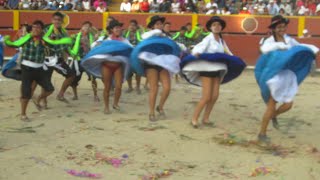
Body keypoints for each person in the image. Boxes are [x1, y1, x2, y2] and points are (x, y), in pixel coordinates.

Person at [255, 15, 319, 142]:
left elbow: (299, 48)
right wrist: (278, 46)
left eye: (283, 27)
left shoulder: (289, 40)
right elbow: (263, 50)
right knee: (272, 104)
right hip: (274, 75)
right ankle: (262, 133)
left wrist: (312, 50)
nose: (281, 29)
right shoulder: (269, 42)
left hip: (286, 76)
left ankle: (273, 116)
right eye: (279, 27)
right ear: (273, 29)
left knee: (288, 104)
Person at [180, 16, 246, 128]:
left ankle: (206, 118)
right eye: (214, 25)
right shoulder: (208, 38)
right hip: (206, 69)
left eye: (219, 25)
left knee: (214, 96)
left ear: (221, 27)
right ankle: (194, 118)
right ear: (210, 27)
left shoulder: (221, 41)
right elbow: (199, 48)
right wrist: (196, 53)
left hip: (218, 69)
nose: (217, 27)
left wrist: (237, 60)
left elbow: (229, 53)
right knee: (206, 97)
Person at [3, 20, 72, 121]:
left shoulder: (45, 41)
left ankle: (39, 98)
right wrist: (7, 40)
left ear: (41, 30)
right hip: (27, 69)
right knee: (26, 92)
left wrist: (65, 43)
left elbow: (56, 47)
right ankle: (23, 114)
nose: (35, 29)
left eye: (38, 27)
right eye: (34, 27)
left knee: (49, 89)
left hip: (39, 69)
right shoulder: (26, 39)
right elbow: (14, 44)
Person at [130, 15, 181, 121]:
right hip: (151, 65)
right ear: (152, 26)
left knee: (167, 87)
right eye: (157, 24)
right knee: (154, 88)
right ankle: (151, 112)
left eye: (161, 24)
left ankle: (160, 106)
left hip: (163, 64)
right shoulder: (147, 36)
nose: (160, 25)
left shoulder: (165, 37)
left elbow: (171, 48)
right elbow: (141, 46)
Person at [81, 20, 133, 114]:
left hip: (118, 66)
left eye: (119, 27)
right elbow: (94, 46)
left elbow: (131, 49)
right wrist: (98, 43)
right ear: (112, 30)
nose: (118, 29)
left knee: (118, 87)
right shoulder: (105, 39)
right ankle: (106, 107)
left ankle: (115, 104)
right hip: (106, 65)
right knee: (107, 87)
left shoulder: (125, 41)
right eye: (116, 28)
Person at [44, 12, 75, 104]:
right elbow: (42, 41)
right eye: (55, 19)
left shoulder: (64, 32)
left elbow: (65, 46)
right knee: (46, 80)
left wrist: (70, 53)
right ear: (52, 20)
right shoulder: (46, 30)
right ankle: (43, 100)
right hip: (47, 58)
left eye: (59, 20)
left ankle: (61, 94)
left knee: (71, 75)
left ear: (62, 22)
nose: (57, 21)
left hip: (58, 59)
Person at [69, 21, 97, 101]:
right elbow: (69, 45)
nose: (86, 28)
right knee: (73, 78)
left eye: (88, 27)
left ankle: (95, 95)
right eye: (85, 26)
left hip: (88, 60)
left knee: (93, 79)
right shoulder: (75, 36)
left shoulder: (93, 37)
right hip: (78, 60)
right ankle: (75, 95)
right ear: (81, 27)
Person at [124, 20, 143, 94]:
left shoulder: (139, 33)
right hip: (128, 54)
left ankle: (138, 87)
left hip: (137, 54)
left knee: (138, 71)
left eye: (133, 25)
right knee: (128, 71)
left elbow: (142, 39)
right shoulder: (126, 33)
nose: (131, 26)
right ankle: (130, 87)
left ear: (136, 26)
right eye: (130, 25)